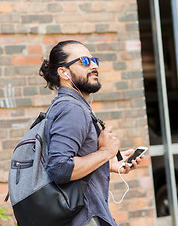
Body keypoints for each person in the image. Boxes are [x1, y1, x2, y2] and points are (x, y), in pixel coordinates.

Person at [39, 40, 144, 226]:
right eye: (84, 62)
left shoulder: (70, 105)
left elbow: (71, 159)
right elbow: (59, 168)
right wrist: (105, 152)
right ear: (63, 73)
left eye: (94, 60)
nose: (94, 66)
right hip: (84, 219)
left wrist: (108, 162)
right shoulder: (71, 108)